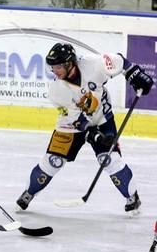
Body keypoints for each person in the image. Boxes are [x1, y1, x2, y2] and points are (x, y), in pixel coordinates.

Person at [16, 43, 154, 215]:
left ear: (69, 63)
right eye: (52, 67)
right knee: (53, 161)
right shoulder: (57, 91)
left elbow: (119, 60)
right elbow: (76, 121)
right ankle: (29, 192)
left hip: (103, 119)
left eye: (58, 66)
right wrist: (93, 135)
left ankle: (132, 196)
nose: (55, 71)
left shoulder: (93, 64)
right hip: (69, 126)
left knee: (109, 160)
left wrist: (135, 73)